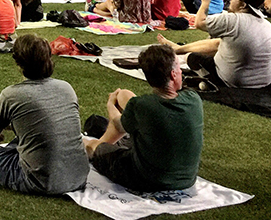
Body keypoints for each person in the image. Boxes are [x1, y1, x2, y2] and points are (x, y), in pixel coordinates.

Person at [0, 34, 89, 195]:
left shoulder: (12, 94)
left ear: (18, 63)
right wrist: (13, 124)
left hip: (39, 180)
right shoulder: (66, 88)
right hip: (78, 176)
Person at [84, 44, 203, 192]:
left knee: (93, 145)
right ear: (173, 74)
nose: (181, 72)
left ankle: (94, 145)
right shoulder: (193, 99)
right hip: (187, 180)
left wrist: (110, 105)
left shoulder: (143, 106)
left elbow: (119, 125)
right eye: (179, 68)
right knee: (125, 96)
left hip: (146, 179)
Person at [160, 0, 271, 89]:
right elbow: (217, 44)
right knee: (220, 43)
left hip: (236, 81)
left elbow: (199, 23)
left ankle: (207, 76)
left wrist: (205, 2)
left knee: (191, 58)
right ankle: (178, 49)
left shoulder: (232, 20)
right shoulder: (267, 25)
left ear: (243, 5)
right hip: (264, 80)